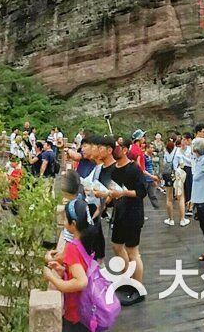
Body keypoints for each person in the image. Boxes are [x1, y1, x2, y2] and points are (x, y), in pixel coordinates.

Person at [95, 135, 146, 305]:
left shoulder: (134, 169)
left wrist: (123, 193)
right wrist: (104, 195)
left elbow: (141, 193)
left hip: (133, 213)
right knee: (117, 246)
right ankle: (127, 280)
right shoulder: (114, 170)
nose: (114, 149)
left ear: (124, 150)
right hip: (120, 213)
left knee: (133, 251)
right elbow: (112, 191)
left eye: (118, 146)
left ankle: (138, 289)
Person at [44, 199, 98, 332]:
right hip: (88, 307)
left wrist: (52, 278)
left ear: (73, 224)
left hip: (76, 313)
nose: (63, 221)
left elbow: (81, 282)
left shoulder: (72, 248)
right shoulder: (86, 239)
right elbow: (81, 268)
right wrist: (62, 271)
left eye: (65, 218)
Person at [165, 136, 190, 227]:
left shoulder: (166, 152)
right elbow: (182, 163)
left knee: (169, 198)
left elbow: (164, 163)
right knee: (180, 197)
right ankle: (182, 220)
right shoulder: (178, 151)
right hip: (177, 174)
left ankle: (171, 220)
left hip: (167, 175)